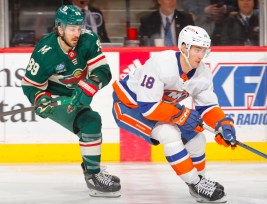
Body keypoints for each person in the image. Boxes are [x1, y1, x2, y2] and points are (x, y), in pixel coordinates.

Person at [112, 25, 237, 203]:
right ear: (184, 47)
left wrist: (222, 124)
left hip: (159, 107)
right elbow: (148, 107)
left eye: (204, 50)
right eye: (197, 49)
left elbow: (208, 107)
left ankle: (200, 182)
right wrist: (182, 114)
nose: (201, 55)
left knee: (197, 138)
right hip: (128, 107)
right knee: (169, 134)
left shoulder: (203, 73)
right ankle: (195, 183)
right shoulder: (161, 64)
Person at [21, 5, 121, 197]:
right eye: (71, 28)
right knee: (90, 121)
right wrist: (40, 99)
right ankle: (93, 176)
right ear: (59, 28)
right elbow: (29, 85)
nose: (77, 33)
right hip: (55, 99)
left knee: (90, 124)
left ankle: (91, 167)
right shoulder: (45, 51)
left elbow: (103, 72)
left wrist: (92, 84)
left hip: (79, 93)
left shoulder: (89, 40)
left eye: (79, 27)